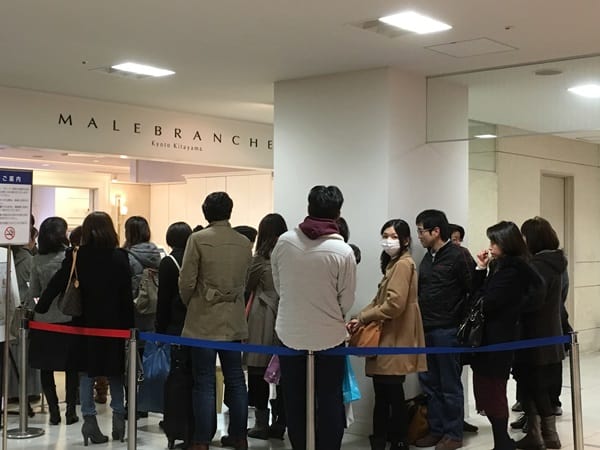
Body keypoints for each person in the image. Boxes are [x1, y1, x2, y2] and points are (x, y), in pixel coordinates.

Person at [36, 211, 134, 445]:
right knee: (114, 371)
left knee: (86, 371)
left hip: (83, 324)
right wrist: (130, 329)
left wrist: (41, 308)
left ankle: (89, 421)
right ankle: (119, 417)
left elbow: (57, 282)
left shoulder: (77, 255)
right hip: (114, 326)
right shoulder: (120, 257)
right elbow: (126, 296)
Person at [272, 185, 356, 450]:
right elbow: (347, 298)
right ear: (337, 213)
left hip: (289, 332)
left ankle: (300, 446)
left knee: (294, 398)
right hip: (329, 336)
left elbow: (279, 284)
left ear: (308, 207)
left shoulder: (284, 242)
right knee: (330, 398)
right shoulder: (343, 252)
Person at [178, 192, 252, 450]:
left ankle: (201, 440)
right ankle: (240, 436)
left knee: (204, 381)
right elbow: (245, 280)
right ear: (229, 211)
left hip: (203, 319)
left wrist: (194, 302)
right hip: (233, 319)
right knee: (235, 379)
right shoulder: (244, 242)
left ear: (205, 211)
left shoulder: (197, 239)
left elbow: (186, 281)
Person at [347, 219, 427, 450]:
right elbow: (380, 299)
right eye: (385, 235)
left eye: (393, 236)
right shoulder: (395, 263)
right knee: (384, 392)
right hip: (389, 336)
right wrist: (359, 317)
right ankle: (383, 439)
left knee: (390, 393)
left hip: (394, 336)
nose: (388, 240)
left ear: (405, 240)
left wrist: (363, 317)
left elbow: (394, 304)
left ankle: (395, 440)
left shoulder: (403, 264)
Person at [471, 221, 540, 450]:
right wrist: (482, 269)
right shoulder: (501, 267)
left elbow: (487, 302)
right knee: (488, 388)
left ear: (506, 243)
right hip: (492, 338)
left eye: (494, 242)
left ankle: (502, 441)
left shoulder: (512, 271)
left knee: (493, 388)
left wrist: (482, 281)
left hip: (498, 339)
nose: (490, 247)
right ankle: (502, 440)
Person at [414, 209, 474, 450]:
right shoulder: (428, 258)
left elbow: (473, 290)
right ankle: (436, 430)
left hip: (448, 331)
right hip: (426, 329)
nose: (419, 236)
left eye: (421, 231)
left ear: (435, 231)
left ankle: (453, 434)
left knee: (449, 385)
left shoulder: (459, 255)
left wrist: (461, 322)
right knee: (430, 384)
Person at [513, 217, 567, 450]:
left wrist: (513, 303)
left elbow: (533, 300)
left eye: (524, 236)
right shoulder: (557, 263)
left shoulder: (537, 265)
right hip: (550, 333)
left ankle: (545, 436)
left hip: (533, 336)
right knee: (537, 387)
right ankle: (541, 435)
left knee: (532, 386)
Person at [26, 217, 80, 426]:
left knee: (46, 368)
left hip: (44, 321)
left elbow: (34, 294)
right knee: (71, 368)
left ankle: (54, 413)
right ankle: (71, 412)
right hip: (69, 318)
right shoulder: (71, 257)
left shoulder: (37, 260)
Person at [244, 213, 288, 440]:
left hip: (262, 315)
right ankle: (281, 421)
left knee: (258, 371)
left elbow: (248, 284)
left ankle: (261, 423)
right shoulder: (290, 255)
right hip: (286, 315)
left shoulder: (260, 259)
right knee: (283, 372)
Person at [155, 221, 192, 336]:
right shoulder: (194, 259)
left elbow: (164, 297)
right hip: (194, 319)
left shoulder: (168, 262)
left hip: (175, 319)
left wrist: (160, 327)